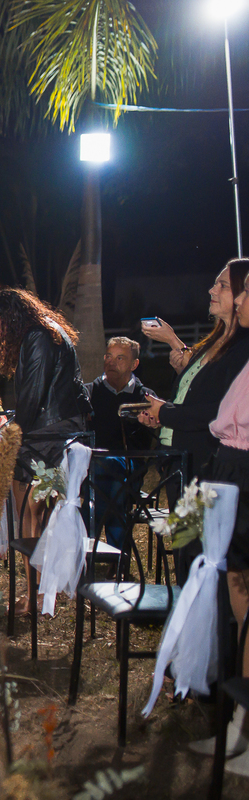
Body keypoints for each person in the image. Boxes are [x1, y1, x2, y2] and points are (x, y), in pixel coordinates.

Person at [0, 288, 89, 616]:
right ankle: (39, 591)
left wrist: (14, 434)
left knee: (32, 513)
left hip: (46, 433)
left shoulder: (38, 337)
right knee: (35, 514)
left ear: (11, 318)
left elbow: (33, 394)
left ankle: (36, 595)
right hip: (55, 428)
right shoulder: (46, 331)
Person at [140, 259, 249, 579]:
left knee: (203, 557)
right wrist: (162, 415)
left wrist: (166, 413)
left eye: (223, 285)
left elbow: (221, 411)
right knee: (187, 554)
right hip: (180, 461)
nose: (212, 290)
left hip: (204, 462)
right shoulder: (215, 342)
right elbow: (193, 394)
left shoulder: (242, 349)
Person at [200, 274, 249, 759]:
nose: (239, 299)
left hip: (242, 473)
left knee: (244, 599)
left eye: (246, 290)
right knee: (236, 594)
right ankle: (237, 721)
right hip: (229, 469)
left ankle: (243, 728)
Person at [85, 337, 155, 548]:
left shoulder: (145, 398)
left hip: (129, 469)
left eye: (120, 358)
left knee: (111, 476)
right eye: (108, 356)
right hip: (93, 469)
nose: (111, 362)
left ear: (134, 364)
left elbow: (149, 441)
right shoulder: (89, 393)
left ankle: (86, 546)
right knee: (110, 480)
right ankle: (118, 554)